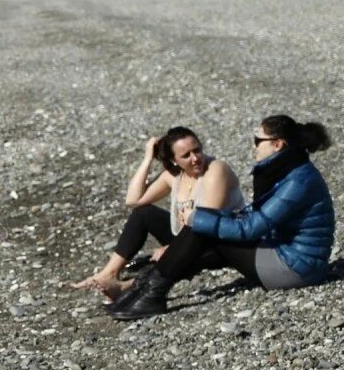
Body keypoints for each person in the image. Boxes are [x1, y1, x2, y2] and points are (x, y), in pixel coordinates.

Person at [111, 115, 334, 320]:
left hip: (296, 269)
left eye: (258, 140)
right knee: (205, 226)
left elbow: (253, 228)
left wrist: (195, 219)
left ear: (277, 144)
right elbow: (258, 219)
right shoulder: (284, 169)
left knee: (202, 226)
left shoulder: (297, 181)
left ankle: (152, 292)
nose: (252, 145)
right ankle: (146, 286)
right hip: (280, 250)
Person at [72, 127, 245, 302]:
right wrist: (147, 158)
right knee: (143, 213)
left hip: (220, 244)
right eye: (186, 155)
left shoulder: (216, 169)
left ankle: (129, 286)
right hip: (187, 238)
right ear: (174, 160)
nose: (195, 158)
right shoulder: (174, 176)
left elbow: (207, 222)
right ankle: (109, 273)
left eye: (197, 150)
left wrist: (171, 248)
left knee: (176, 253)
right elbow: (133, 200)